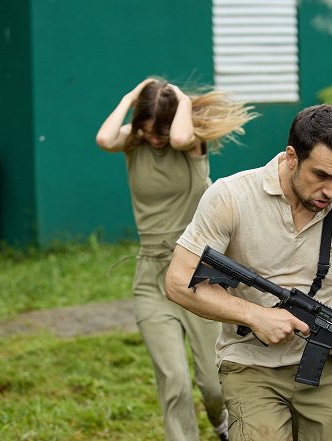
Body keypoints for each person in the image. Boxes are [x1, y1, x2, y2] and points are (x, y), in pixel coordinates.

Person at [165, 104, 332, 440]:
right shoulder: (231, 196)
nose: (331, 191)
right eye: (321, 175)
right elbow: (178, 281)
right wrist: (255, 316)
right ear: (292, 156)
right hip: (251, 362)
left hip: (331, 361)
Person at [95, 77, 255, 441]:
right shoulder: (133, 145)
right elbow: (104, 138)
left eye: (160, 130)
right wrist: (130, 96)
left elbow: (180, 138)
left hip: (198, 276)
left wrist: (180, 98)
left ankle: (221, 423)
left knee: (214, 386)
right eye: (147, 130)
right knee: (175, 384)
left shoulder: (191, 144)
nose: (155, 138)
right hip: (151, 277)